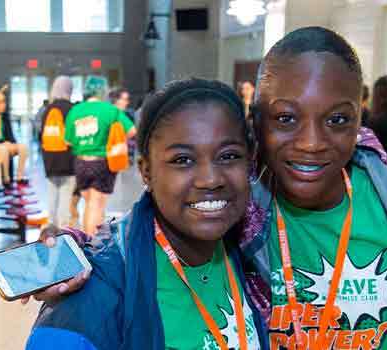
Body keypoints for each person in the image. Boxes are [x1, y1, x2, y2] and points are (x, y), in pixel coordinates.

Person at [29, 27, 387, 350]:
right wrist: (70, 250)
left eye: (337, 120)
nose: (311, 143)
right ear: (256, 125)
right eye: (286, 119)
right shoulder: (240, 202)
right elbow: (147, 232)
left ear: (359, 118)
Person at [26, 78, 268, 349]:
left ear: (250, 160)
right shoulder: (94, 298)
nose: (210, 179)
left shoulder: (253, 250)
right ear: (146, 172)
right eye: (182, 160)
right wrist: (89, 248)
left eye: (228, 156)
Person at [64, 76, 136, 235]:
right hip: (102, 163)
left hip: (80, 163)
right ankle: (91, 247)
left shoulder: (75, 111)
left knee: (89, 204)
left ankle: (87, 241)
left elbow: (68, 141)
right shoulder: (110, 110)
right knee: (96, 206)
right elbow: (132, 131)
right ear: (103, 91)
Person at [40, 76, 76, 228]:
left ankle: (50, 224)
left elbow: (41, 135)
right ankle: (63, 227)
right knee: (66, 194)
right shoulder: (72, 109)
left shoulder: (47, 109)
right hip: (67, 159)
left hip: (49, 159)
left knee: (52, 193)